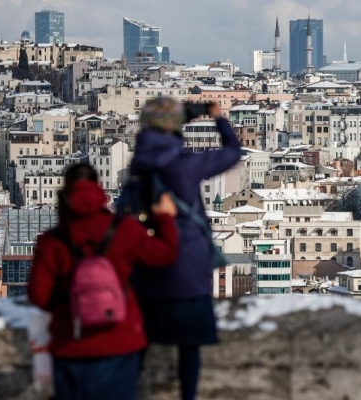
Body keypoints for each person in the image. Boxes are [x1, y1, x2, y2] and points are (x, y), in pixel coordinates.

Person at [28, 163, 179, 400]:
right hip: (120, 340)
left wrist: (70, 306)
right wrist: (164, 219)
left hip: (71, 343)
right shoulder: (123, 229)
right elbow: (164, 254)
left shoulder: (52, 241)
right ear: (99, 189)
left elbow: (39, 296)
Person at [129, 98, 242, 400]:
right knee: (189, 347)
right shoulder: (185, 164)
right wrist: (217, 118)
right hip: (188, 269)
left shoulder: (138, 162)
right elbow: (233, 152)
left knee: (139, 345)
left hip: (147, 267)